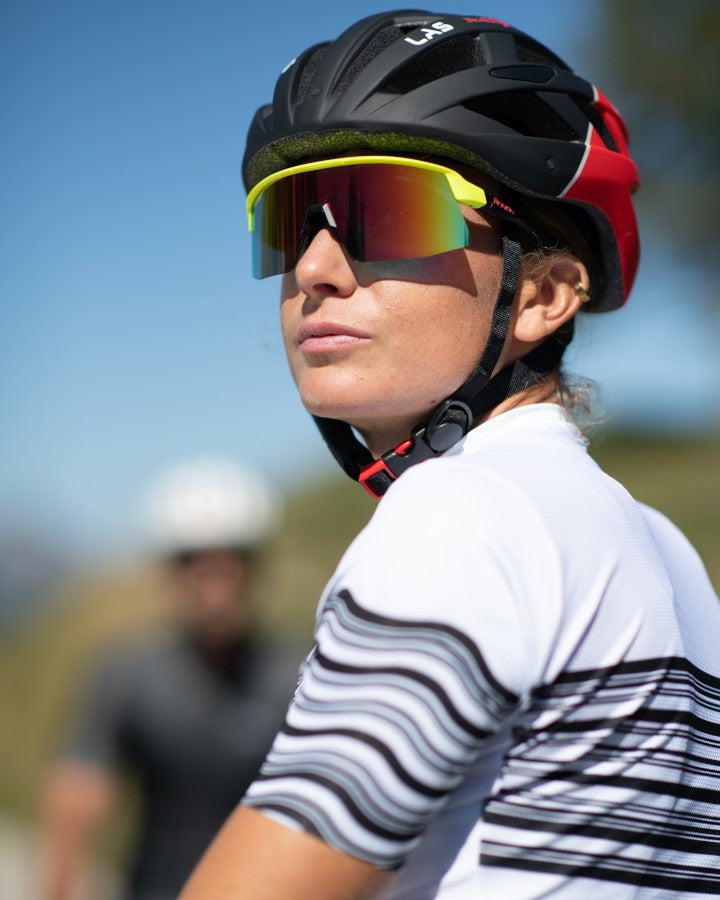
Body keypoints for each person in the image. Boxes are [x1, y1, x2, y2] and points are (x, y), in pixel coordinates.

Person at [181, 10, 720, 899]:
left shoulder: (463, 514)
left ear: (543, 296)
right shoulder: (669, 555)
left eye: (386, 211)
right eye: (288, 221)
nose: (315, 267)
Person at [39, 458, 301, 900]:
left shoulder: (295, 673)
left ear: (253, 567)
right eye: (194, 563)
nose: (214, 584)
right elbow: (76, 800)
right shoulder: (128, 674)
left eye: (229, 562)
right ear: (170, 572)